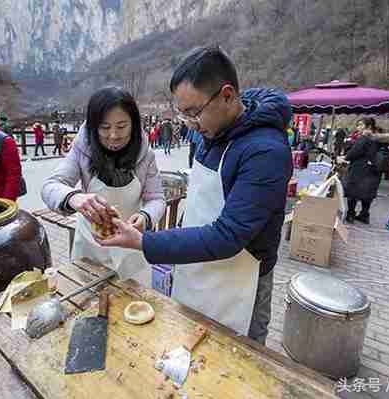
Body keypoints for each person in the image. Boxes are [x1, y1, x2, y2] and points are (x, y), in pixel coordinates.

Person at [96, 46, 292, 344]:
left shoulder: (265, 151)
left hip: (240, 282)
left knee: (237, 364)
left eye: (194, 112)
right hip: (200, 267)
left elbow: (228, 235)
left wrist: (144, 242)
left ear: (227, 96)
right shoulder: (211, 132)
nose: (190, 124)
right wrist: (150, 224)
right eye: (183, 113)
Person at [41, 87, 166, 287]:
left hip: (131, 245)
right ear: (93, 127)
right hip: (91, 248)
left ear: (133, 124)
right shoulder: (82, 149)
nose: (114, 135)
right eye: (105, 127)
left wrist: (145, 217)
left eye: (122, 126)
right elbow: (50, 186)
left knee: (133, 305)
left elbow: (157, 198)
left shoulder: (145, 155)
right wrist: (75, 198)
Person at [343, 118, 389, 224]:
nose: (358, 127)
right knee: (368, 193)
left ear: (369, 127)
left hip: (359, 169)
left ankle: (350, 214)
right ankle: (364, 215)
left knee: (352, 192)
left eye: (360, 125)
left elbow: (353, 153)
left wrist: (345, 157)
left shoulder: (365, 138)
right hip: (375, 170)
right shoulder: (384, 140)